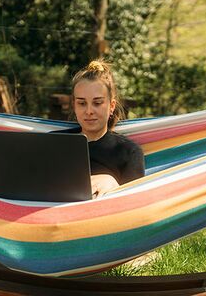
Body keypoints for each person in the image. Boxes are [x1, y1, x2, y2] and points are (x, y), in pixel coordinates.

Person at [60, 60, 145, 198]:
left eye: (97, 103)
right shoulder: (55, 142)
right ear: (74, 105)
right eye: (82, 103)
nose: (89, 111)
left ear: (111, 106)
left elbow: (135, 205)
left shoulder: (129, 152)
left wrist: (113, 183)